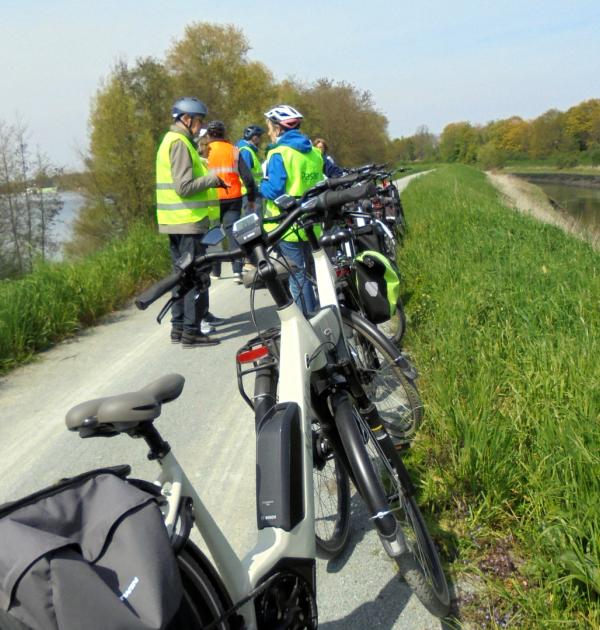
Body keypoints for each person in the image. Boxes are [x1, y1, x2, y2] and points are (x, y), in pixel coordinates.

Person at [155, 97, 227, 348]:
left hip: (173, 221)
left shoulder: (170, 141)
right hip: (187, 221)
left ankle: (178, 329)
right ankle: (191, 332)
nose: (201, 126)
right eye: (198, 121)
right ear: (187, 119)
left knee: (180, 277)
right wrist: (212, 179)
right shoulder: (180, 144)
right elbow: (184, 187)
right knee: (196, 277)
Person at [260, 105, 325, 315]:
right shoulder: (314, 152)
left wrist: (260, 184)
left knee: (298, 276)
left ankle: (307, 322)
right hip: (312, 220)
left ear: (279, 129)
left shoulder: (280, 153)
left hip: (288, 225)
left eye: (270, 127)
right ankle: (318, 314)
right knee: (308, 273)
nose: (269, 132)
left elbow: (276, 190)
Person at [206, 120, 257, 283]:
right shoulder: (234, 150)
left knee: (214, 233)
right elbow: (248, 178)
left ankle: (215, 271)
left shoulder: (204, 151)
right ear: (224, 133)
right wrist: (250, 198)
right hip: (233, 197)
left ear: (209, 134)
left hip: (213, 199)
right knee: (232, 232)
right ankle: (237, 271)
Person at [237, 125, 265, 216]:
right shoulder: (246, 151)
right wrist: (251, 196)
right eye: (259, 137)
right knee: (253, 222)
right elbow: (246, 175)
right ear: (254, 137)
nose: (260, 140)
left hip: (250, 193)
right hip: (250, 194)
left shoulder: (247, 150)